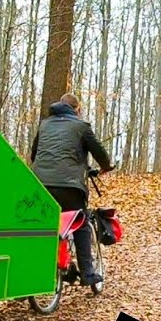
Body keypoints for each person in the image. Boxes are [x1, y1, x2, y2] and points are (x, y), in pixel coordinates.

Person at [30, 92, 112, 289]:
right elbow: (99, 152)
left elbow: (34, 154)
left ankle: (36, 271)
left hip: (41, 185)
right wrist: (106, 167)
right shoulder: (81, 127)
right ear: (76, 109)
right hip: (70, 186)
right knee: (81, 223)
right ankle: (87, 273)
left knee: (43, 225)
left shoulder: (44, 125)